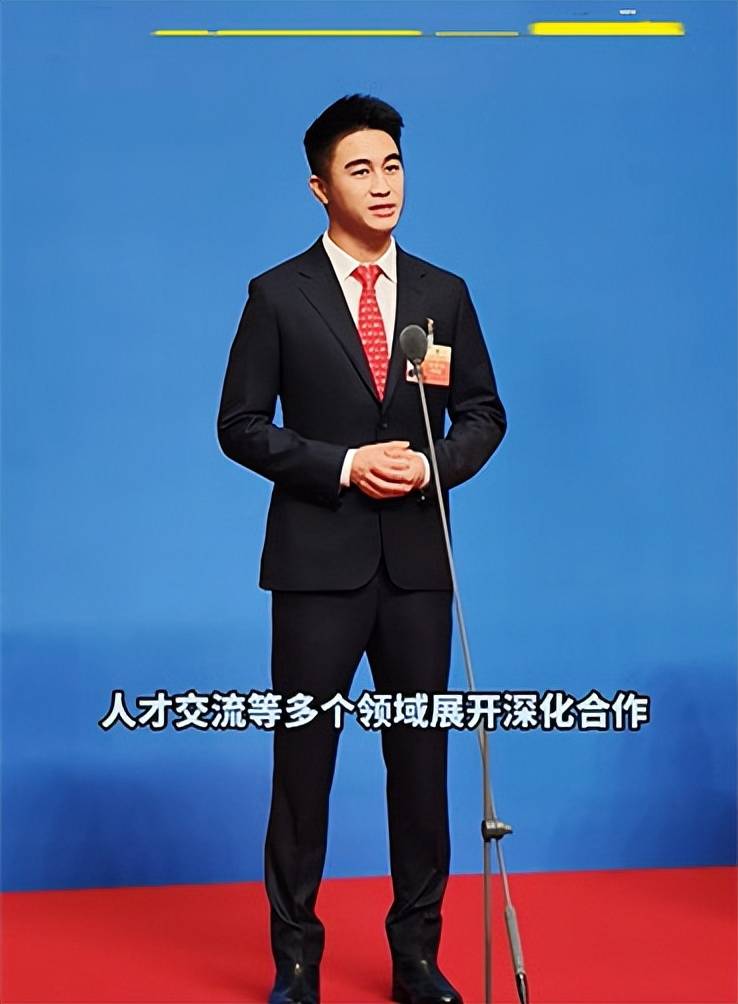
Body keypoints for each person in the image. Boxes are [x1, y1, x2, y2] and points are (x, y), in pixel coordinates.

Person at [217, 93, 507, 1004]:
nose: (383, 185)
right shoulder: (277, 295)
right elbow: (239, 426)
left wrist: (430, 466)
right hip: (317, 567)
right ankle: (296, 962)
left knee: (420, 768)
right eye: (360, 169)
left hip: (418, 569)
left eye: (393, 166)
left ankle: (417, 957)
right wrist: (343, 464)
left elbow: (483, 414)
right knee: (303, 768)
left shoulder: (441, 294)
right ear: (320, 188)